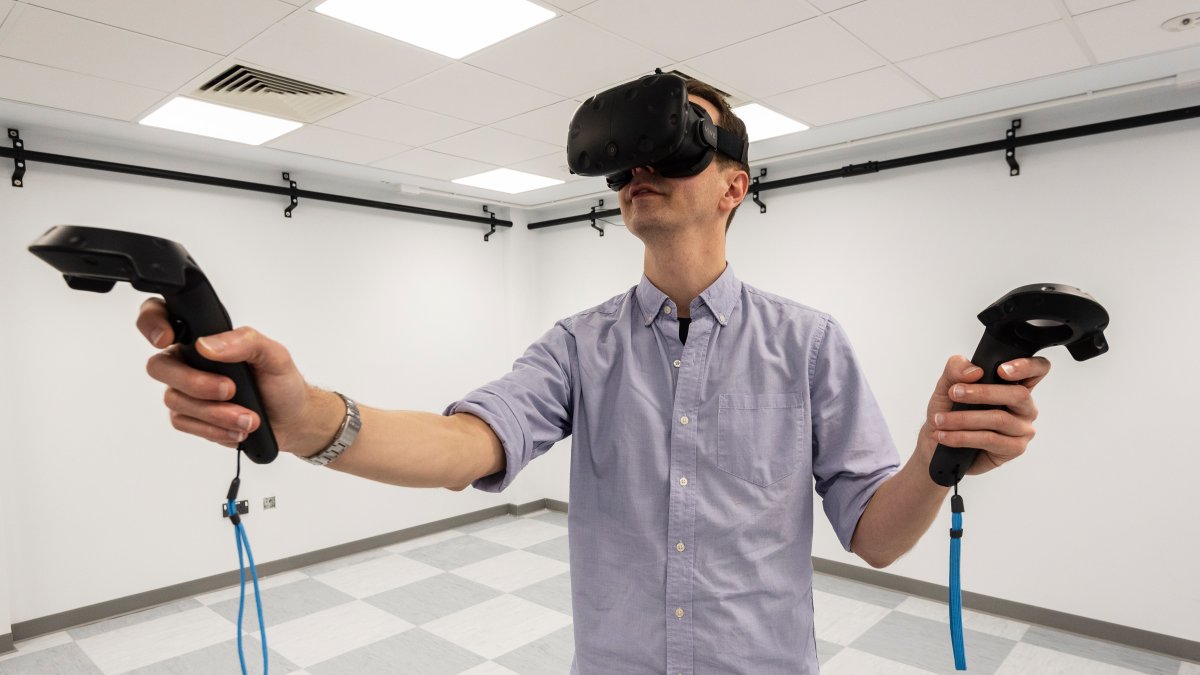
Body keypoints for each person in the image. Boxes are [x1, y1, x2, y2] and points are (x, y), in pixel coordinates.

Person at [136, 79, 1050, 674]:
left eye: (675, 152)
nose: (639, 173)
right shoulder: (580, 346)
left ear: (734, 186)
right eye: (627, 163)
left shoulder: (809, 344)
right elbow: (468, 444)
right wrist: (304, 419)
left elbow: (876, 539)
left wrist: (939, 450)